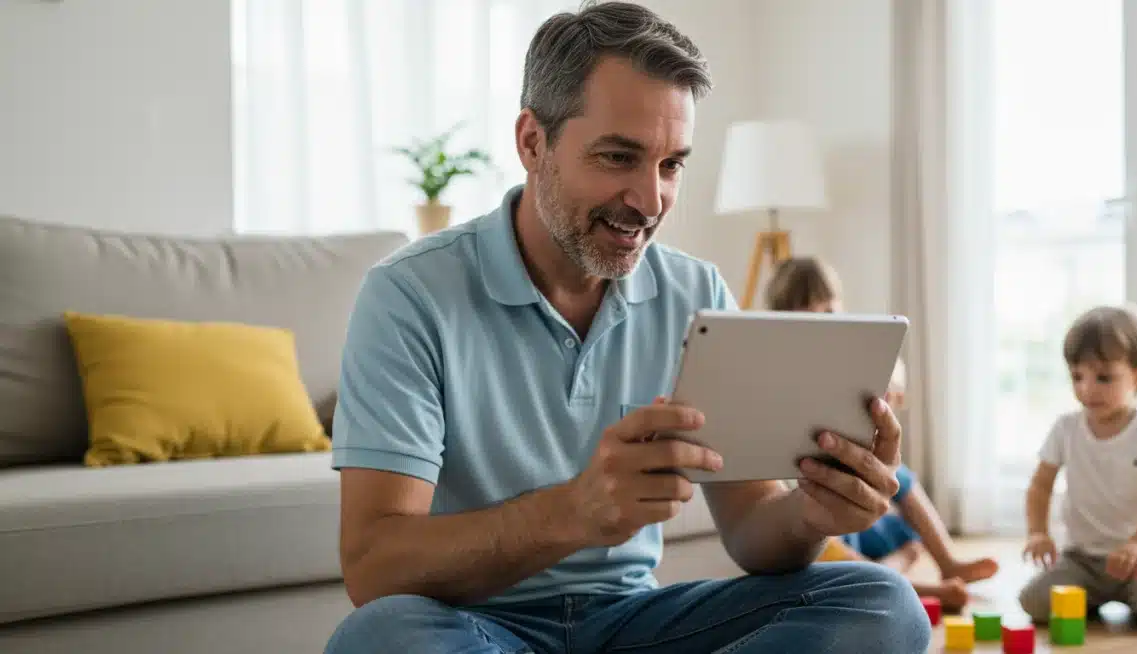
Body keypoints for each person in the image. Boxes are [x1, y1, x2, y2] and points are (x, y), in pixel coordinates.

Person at [322, 3, 932, 652]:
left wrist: (810, 515)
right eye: (619, 158)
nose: (650, 200)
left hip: (634, 625)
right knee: (380, 637)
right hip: (470, 626)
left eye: (671, 165)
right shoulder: (409, 295)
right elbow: (373, 565)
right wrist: (574, 511)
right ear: (533, 142)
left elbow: (754, 527)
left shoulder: (696, 294)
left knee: (883, 603)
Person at [765, 256, 998, 611]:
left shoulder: (852, 352)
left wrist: (891, 386)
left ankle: (947, 561)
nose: (823, 323)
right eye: (808, 316)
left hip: (857, 496)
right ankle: (923, 589)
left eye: (829, 312)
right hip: (819, 503)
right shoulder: (781, 366)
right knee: (832, 558)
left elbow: (892, 375)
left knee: (902, 483)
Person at [1019, 305, 1137, 632]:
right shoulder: (1066, 428)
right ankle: (1094, 600)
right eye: (1077, 376)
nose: (1087, 389)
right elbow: (1040, 485)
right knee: (1033, 601)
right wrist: (1037, 532)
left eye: (1103, 377)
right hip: (1081, 561)